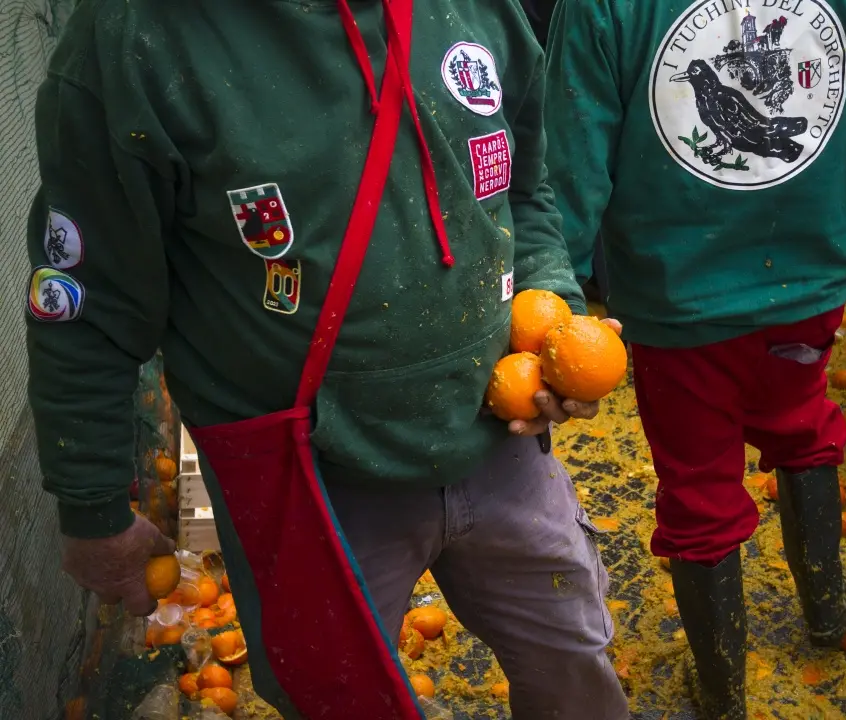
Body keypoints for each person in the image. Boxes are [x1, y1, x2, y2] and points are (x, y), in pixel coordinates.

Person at [25, 1, 628, 718]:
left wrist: (555, 316)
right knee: (336, 699)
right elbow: (87, 301)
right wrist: (93, 507)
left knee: (575, 665)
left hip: (502, 438)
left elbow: (523, 191)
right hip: (311, 482)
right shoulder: (134, 38)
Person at [546, 0, 846, 716]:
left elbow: (571, 162)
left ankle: (722, 690)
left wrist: (558, 300)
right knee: (803, 423)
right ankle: (827, 605)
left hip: (679, 298)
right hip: (808, 273)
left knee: (698, 483)